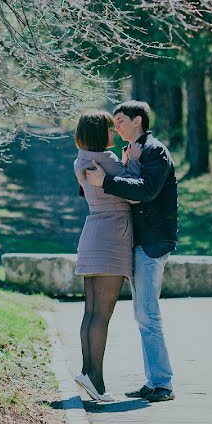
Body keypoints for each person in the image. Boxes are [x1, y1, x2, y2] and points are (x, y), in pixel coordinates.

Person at [84, 100, 178, 403]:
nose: (116, 126)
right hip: (138, 241)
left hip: (152, 241)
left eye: (121, 120)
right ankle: (155, 381)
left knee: (147, 314)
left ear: (138, 120)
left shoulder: (154, 150)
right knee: (143, 314)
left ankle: (162, 383)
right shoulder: (135, 152)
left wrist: (107, 180)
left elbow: (146, 190)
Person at [72, 111, 141, 403]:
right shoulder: (107, 160)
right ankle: (96, 382)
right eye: (110, 130)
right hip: (112, 235)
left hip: (92, 232)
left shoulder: (81, 160)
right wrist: (132, 162)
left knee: (91, 311)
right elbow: (135, 195)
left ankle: (88, 372)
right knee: (103, 313)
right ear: (101, 133)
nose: (114, 134)